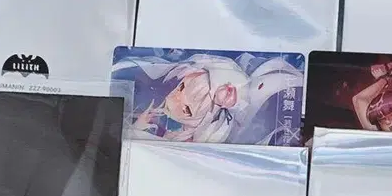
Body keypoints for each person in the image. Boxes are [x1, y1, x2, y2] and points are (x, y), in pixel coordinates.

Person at [112, 51, 303, 145]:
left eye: (187, 110)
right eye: (181, 87)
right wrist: (139, 127)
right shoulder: (171, 128)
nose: (173, 99)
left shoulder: (196, 140)